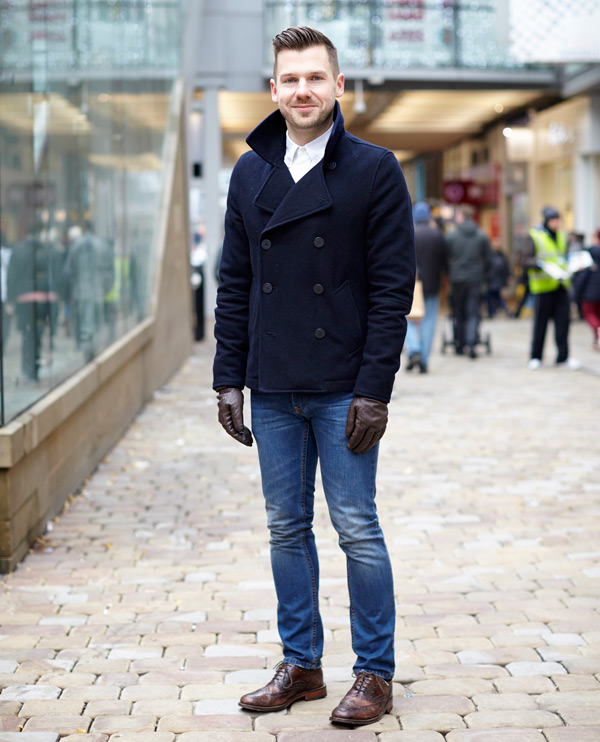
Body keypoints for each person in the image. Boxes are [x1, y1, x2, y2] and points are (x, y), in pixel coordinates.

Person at [213, 26, 415, 727]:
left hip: (341, 383)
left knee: (357, 526)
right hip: (272, 383)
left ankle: (375, 673)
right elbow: (235, 280)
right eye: (289, 79)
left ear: (337, 87)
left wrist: (374, 389)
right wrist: (227, 377)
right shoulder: (250, 171)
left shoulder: (373, 168)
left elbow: (393, 287)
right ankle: (300, 666)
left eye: (315, 78)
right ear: (274, 90)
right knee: (283, 526)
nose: (302, 90)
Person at [523, 206, 578, 370]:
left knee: (563, 323)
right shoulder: (535, 236)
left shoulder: (562, 236)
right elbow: (526, 260)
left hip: (561, 285)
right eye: (553, 220)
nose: (556, 223)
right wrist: (541, 265)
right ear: (547, 221)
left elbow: (565, 256)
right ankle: (536, 356)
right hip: (543, 287)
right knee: (540, 323)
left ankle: (563, 357)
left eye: (558, 220)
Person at [405, 202, 446, 373]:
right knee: (429, 321)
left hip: (409, 284)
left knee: (406, 318)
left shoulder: (408, 233)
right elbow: (444, 262)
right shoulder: (437, 235)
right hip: (431, 284)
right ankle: (423, 359)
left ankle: (413, 348)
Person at [445, 204, 492, 358]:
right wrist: (482, 273)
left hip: (457, 279)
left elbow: (445, 257)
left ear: (461, 216)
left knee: (458, 311)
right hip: (475, 279)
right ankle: (472, 343)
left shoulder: (452, 236)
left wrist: (450, 272)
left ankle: (459, 343)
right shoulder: (481, 235)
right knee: (473, 312)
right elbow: (488, 259)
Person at [572, 229, 600, 351]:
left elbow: (582, 277)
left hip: (590, 293)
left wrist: (575, 296)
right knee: (597, 316)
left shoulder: (589, 253)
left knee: (589, 314)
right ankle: (596, 342)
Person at [486, 246, 510, 318]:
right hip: (497, 282)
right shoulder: (502, 259)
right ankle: (502, 307)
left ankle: (493, 311)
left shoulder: (491, 259)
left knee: (491, 297)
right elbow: (506, 271)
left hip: (492, 282)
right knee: (496, 296)